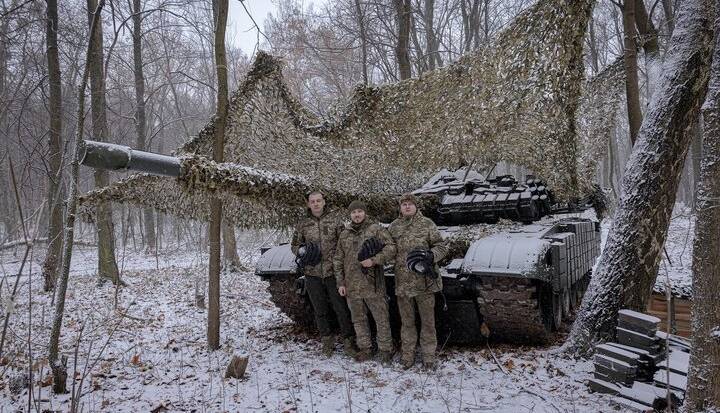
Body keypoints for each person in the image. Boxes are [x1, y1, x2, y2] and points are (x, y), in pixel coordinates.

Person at [291, 191, 357, 358]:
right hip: (312, 273)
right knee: (320, 310)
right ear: (308, 204)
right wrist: (302, 251)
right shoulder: (303, 224)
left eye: (318, 201)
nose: (316, 204)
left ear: (324, 202)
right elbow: (294, 245)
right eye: (312, 201)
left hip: (333, 273)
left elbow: (344, 243)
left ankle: (349, 342)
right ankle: (327, 342)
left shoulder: (335, 222)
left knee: (341, 309)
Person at [388, 193, 448, 370]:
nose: (407, 207)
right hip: (403, 284)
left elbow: (441, 246)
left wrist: (431, 256)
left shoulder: (427, 224)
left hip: (424, 283)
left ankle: (429, 357)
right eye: (404, 204)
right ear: (400, 207)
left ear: (416, 206)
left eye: (410, 204)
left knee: (428, 322)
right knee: (407, 323)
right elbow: (388, 249)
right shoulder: (393, 227)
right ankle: (408, 355)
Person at [334, 200, 396, 363]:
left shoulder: (375, 229)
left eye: (360, 211)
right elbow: (338, 259)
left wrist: (374, 260)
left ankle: (385, 349)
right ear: (350, 215)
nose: (357, 215)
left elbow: (391, 248)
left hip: (373, 284)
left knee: (381, 318)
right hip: (352, 285)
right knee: (358, 319)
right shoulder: (345, 234)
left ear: (365, 213)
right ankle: (365, 348)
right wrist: (340, 282)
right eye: (354, 212)